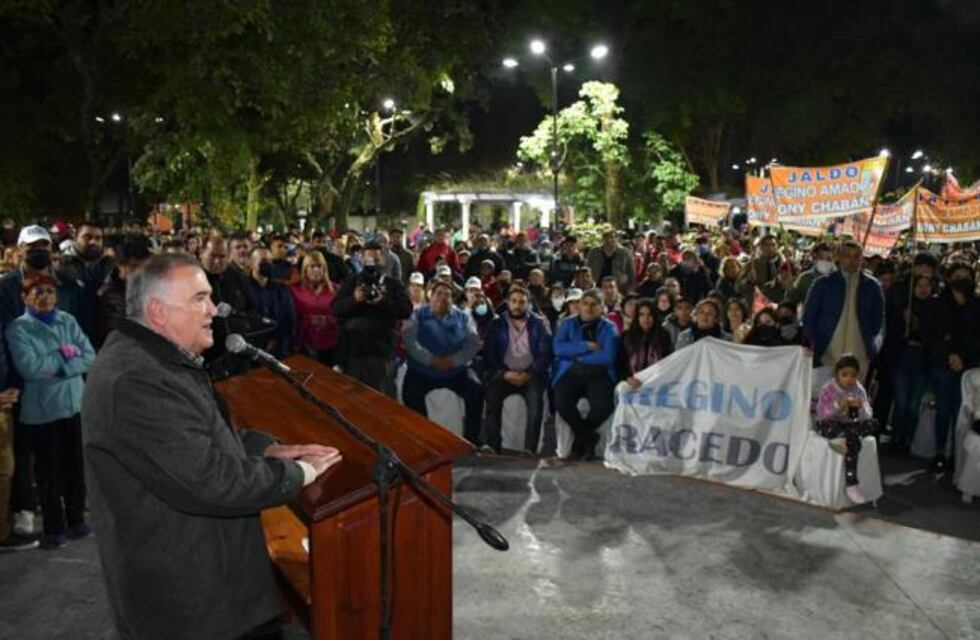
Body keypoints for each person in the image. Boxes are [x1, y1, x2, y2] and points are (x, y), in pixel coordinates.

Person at [82, 252, 342, 640]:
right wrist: (300, 473)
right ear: (158, 311)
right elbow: (209, 481)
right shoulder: (137, 381)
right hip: (195, 607)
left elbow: (200, 436)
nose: (214, 310)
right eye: (199, 298)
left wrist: (266, 450)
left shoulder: (158, 359)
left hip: (213, 591)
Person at [6, 274, 96, 549]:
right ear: (25, 297)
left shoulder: (67, 320)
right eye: (37, 292)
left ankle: (76, 518)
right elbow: (29, 368)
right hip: (42, 412)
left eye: (49, 291)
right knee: (49, 473)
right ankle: (55, 527)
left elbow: (89, 356)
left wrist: (59, 364)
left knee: (74, 467)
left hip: (72, 405)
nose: (44, 297)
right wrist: (65, 355)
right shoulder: (18, 329)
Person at [402, 280, 484, 444]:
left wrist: (454, 360)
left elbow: (473, 343)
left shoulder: (463, 317)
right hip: (424, 371)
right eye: (438, 293)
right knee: (410, 394)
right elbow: (410, 341)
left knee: (476, 391)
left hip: (456, 371)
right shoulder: (417, 314)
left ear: (452, 299)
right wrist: (431, 360)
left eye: (447, 295)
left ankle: (472, 440)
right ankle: (421, 440)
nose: (443, 297)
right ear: (430, 297)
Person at [331, 240, 413, 396]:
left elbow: (406, 310)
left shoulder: (393, 284)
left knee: (382, 397)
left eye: (377, 259)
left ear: (383, 259)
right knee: (354, 397)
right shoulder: (351, 282)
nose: (373, 263)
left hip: (382, 350)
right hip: (354, 349)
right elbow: (335, 308)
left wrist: (383, 301)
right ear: (362, 258)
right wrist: (354, 299)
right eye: (369, 259)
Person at [482, 286, 552, 454]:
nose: (517, 305)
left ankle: (530, 448)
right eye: (513, 301)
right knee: (492, 396)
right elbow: (489, 355)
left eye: (522, 302)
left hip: (531, 375)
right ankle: (492, 444)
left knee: (535, 402)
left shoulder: (539, 324)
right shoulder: (497, 324)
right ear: (507, 303)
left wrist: (529, 374)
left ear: (528, 304)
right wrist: (504, 374)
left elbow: (545, 354)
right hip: (504, 374)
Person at [552, 289, 619, 460]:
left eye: (594, 305)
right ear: (579, 305)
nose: (588, 308)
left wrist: (577, 357)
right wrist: (585, 346)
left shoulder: (609, 327)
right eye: (585, 303)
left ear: (602, 308)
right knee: (561, 402)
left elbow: (607, 357)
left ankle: (581, 440)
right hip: (571, 372)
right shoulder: (568, 324)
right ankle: (588, 437)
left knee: (603, 407)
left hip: (599, 373)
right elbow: (558, 348)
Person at [802, 240, 884, 379]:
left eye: (856, 256)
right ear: (839, 257)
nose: (851, 260)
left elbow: (878, 321)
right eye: (847, 255)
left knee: (852, 398)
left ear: (861, 259)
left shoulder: (872, 286)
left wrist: (872, 345)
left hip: (859, 355)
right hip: (827, 353)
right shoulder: (823, 284)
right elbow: (809, 317)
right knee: (825, 396)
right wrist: (814, 341)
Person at [815, 354, 877, 504]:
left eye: (853, 376)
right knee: (846, 436)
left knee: (873, 423)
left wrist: (861, 407)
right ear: (837, 374)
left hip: (850, 425)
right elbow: (821, 413)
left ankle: (845, 437)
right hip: (832, 423)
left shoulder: (859, 390)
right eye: (844, 375)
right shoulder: (829, 388)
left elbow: (868, 414)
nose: (849, 379)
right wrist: (838, 405)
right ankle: (852, 483)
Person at [199, 236, 258, 378]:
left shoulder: (238, 277)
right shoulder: (192, 280)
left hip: (239, 357)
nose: (217, 261)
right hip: (207, 361)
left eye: (222, 256)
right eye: (213, 256)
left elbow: (251, 309)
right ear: (202, 253)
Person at [59, 221, 114, 344]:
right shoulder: (60, 265)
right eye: (87, 237)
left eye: (98, 238)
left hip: (106, 337)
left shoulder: (112, 265)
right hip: (71, 338)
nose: (93, 242)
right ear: (75, 238)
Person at [95, 236, 153, 347]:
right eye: (134, 266)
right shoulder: (110, 295)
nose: (140, 272)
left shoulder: (146, 286)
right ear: (120, 266)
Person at [247, 246, 296, 360]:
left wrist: (276, 339)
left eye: (269, 261)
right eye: (263, 261)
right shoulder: (243, 288)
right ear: (251, 263)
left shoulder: (281, 289)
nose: (267, 264)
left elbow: (289, 319)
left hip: (278, 350)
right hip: (252, 353)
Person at [290, 250, 339, 365]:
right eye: (312, 266)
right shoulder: (294, 289)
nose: (316, 270)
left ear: (324, 269)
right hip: (305, 345)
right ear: (305, 270)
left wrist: (328, 320)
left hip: (331, 345)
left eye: (319, 266)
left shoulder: (336, 289)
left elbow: (343, 315)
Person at [620, 299, 672, 388]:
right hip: (632, 384)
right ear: (637, 317)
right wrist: (627, 378)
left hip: (657, 383)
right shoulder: (627, 336)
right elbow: (620, 363)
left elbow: (668, 362)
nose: (646, 318)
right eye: (641, 315)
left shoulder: (664, 336)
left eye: (650, 315)